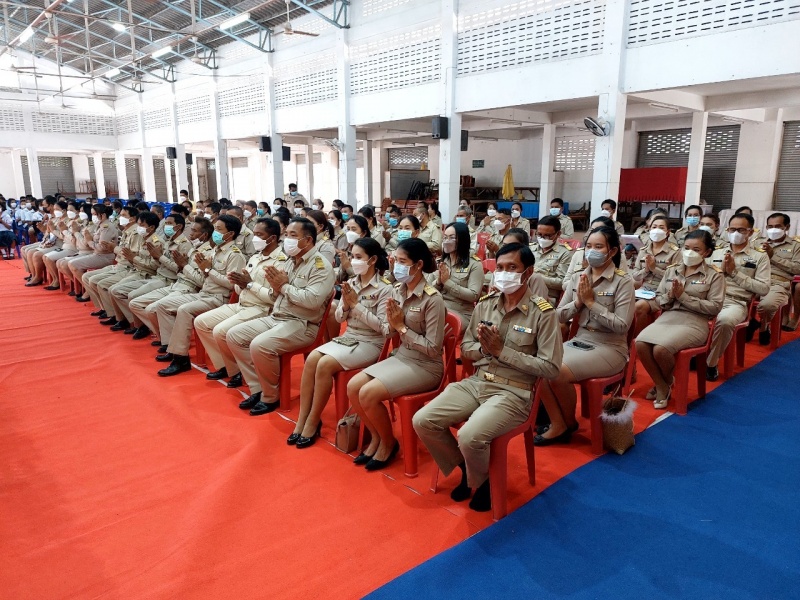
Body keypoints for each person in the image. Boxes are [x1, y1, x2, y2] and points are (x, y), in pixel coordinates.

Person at [413, 243, 562, 512]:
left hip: (514, 392)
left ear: (528, 273)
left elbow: (551, 368)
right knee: (423, 420)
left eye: (512, 268)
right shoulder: (486, 304)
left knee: (469, 435)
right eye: (500, 267)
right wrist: (485, 349)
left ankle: (481, 482)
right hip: (479, 381)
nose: (504, 273)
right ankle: (469, 472)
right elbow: (466, 348)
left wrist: (502, 351)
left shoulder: (543, 313)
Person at [347, 238, 446, 470]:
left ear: (418, 265)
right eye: (396, 261)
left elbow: (433, 348)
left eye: (403, 262)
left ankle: (388, 444)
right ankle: (378, 437)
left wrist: (402, 328)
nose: (397, 267)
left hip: (426, 365)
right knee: (353, 387)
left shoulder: (433, 299)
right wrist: (392, 325)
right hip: (402, 356)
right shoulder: (398, 290)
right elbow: (388, 331)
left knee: (368, 393)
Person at [537, 225, 634, 445]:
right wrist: (578, 303)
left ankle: (568, 423)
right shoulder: (578, 277)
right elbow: (558, 315)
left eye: (598, 247)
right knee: (539, 364)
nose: (592, 251)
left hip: (610, 347)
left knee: (557, 371)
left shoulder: (622, 282)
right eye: (588, 246)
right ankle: (559, 423)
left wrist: (591, 303)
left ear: (612, 251)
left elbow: (622, 326)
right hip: (580, 340)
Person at [290, 238, 392, 448]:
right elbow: (338, 318)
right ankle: (303, 418)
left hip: (371, 342)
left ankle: (312, 421)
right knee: (313, 358)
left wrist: (357, 306)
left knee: (325, 364)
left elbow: (384, 328)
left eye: (358, 257)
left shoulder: (385, 288)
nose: (353, 261)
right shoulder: (352, 283)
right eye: (352, 256)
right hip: (349, 337)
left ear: (372, 260)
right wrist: (345, 306)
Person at [229, 217, 335, 414]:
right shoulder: (289, 261)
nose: (287, 240)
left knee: (259, 345)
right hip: (277, 316)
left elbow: (312, 301)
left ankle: (270, 396)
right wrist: (269, 286)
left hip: (303, 324)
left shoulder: (320, 266)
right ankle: (258, 387)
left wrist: (284, 287)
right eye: (286, 235)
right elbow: (274, 294)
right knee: (234, 335)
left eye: (293, 236)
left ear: (308, 240)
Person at [636, 230, 724, 408]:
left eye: (696, 250)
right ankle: (663, 383)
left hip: (696, 321)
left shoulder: (714, 275)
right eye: (687, 248)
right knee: (640, 343)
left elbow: (715, 307)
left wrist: (683, 297)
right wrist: (670, 296)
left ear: (707, 252)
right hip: (669, 316)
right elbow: (659, 299)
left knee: (661, 349)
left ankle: (663, 384)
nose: (690, 253)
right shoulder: (672, 270)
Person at [194, 218, 284, 388]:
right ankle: (228, 367)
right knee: (201, 322)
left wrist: (249, 284)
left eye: (259, 235)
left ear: (272, 238)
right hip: (242, 304)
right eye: (254, 233)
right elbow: (238, 289)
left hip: (262, 308)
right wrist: (240, 283)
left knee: (221, 331)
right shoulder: (255, 257)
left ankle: (249, 378)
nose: (255, 238)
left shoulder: (280, 261)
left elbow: (274, 298)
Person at [155, 215, 247, 376]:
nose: (215, 232)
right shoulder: (215, 250)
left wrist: (208, 270)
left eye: (219, 229)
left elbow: (232, 284)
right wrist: (200, 269)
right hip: (204, 293)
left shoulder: (235, 255)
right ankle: (172, 348)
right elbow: (204, 276)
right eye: (215, 228)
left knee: (184, 310)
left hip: (219, 298)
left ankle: (180, 359)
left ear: (230, 234)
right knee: (162, 305)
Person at [705, 212, 771, 381]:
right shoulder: (716, 252)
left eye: (741, 230)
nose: (736, 233)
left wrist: (734, 273)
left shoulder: (759, 256)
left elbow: (763, 288)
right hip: (709, 298)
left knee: (725, 320)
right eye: (732, 229)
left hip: (735, 302)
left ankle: (711, 363)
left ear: (750, 232)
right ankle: (691, 355)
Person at [129, 217, 214, 346]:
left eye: (194, 231)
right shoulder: (193, 247)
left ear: (205, 235)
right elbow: (179, 268)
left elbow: (199, 279)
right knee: (136, 303)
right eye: (191, 230)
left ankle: (169, 343)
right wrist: (178, 265)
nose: (190, 233)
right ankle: (166, 337)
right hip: (176, 283)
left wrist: (182, 265)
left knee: (154, 308)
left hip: (186, 286)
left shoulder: (204, 251)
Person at [122, 213, 194, 339]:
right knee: (130, 296)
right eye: (165, 223)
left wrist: (159, 256)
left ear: (179, 226)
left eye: (169, 223)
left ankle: (158, 331)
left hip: (169, 280)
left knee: (134, 297)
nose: (166, 226)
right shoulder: (168, 241)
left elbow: (178, 268)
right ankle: (155, 329)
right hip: (157, 276)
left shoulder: (184, 244)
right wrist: (157, 257)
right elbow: (159, 263)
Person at [745, 213, 800, 345]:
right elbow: (747, 263)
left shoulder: (795, 246)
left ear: (787, 227)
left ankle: (764, 326)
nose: (773, 229)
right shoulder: (757, 242)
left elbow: (797, 269)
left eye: (778, 226)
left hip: (778, 282)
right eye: (770, 226)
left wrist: (773, 256)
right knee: (731, 298)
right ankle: (752, 321)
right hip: (755, 279)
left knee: (767, 306)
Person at [106, 211, 164, 332]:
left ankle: (139, 324)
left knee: (118, 291)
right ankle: (128, 320)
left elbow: (154, 266)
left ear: (151, 227)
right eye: (138, 224)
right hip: (136, 270)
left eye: (142, 225)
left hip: (147, 274)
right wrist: (132, 258)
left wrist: (134, 258)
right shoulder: (142, 238)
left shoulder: (155, 242)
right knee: (112, 289)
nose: (139, 227)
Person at [82, 206, 142, 318]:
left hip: (128, 267)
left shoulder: (135, 233)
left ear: (133, 218)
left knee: (99, 282)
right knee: (86, 277)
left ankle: (114, 314)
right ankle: (104, 308)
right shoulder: (126, 231)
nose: (120, 217)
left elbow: (130, 255)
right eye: (120, 215)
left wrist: (114, 248)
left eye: (123, 215)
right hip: (119, 264)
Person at [435, 222, 483, 335]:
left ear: (462, 240)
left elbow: (473, 295)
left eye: (451, 237)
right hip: (440, 307)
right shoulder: (443, 262)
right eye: (445, 237)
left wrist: (447, 282)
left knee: (434, 324)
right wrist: (438, 282)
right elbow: (429, 290)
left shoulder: (474, 264)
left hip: (461, 313)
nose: (447, 241)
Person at [631, 215, 680, 327]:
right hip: (643, 290)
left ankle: (639, 336)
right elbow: (635, 275)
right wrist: (646, 270)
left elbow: (674, 279)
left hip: (662, 293)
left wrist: (654, 269)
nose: (657, 230)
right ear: (649, 229)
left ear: (668, 232)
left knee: (638, 307)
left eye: (661, 227)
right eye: (654, 227)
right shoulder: (643, 250)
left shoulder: (675, 252)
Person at [530, 215, 572, 303]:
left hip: (547, 297)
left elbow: (562, 282)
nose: (542, 238)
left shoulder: (564, 253)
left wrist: (536, 277)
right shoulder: (530, 249)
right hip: (527, 291)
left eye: (547, 236)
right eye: (539, 234)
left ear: (558, 234)